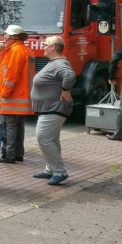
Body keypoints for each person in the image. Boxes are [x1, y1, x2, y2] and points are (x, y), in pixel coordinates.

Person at [31, 35, 75, 185]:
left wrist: (64, 89)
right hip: (49, 108)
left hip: (54, 107)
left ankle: (59, 171)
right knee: (52, 139)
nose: (43, 46)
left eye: (46, 45)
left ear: (54, 47)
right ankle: (50, 169)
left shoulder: (60, 63)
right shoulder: (54, 62)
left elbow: (69, 76)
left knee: (43, 137)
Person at [0, 25, 35, 164]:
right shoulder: (26, 51)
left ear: (13, 37)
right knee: (19, 126)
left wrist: (3, 93)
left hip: (12, 98)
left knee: (9, 127)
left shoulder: (15, 51)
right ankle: (18, 153)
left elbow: (11, 75)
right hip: (22, 97)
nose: (4, 38)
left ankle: (8, 155)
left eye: (6, 36)